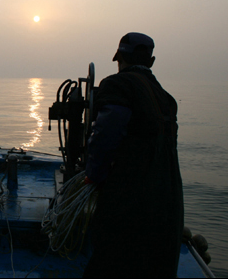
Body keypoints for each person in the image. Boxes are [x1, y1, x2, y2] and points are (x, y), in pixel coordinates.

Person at [83, 33, 184, 278]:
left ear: (120, 58)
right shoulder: (166, 99)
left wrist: (93, 176)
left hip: (130, 197)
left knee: (111, 262)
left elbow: (106, 135)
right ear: (151, 61)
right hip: (168, 199)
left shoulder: (118, 85)